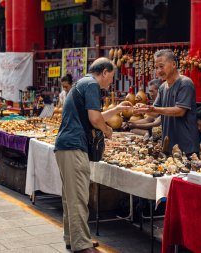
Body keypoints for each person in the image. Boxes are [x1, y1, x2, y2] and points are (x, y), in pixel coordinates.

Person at [54, 57, 132, 253]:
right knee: (78, 197)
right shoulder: (91, 85)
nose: (110, 82)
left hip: (67, 146)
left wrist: (115, 109)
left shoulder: (82, 82)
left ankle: (74, 238)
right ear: (104, 72)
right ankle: (82, 245)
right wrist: (107, 130)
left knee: (70, 196)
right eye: (111, 77)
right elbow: (95, 119)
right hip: (74, 146)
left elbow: (92, 117)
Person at [134, 49, 199, 155]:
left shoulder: (185, 83)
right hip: (168, 145)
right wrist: (142, 109)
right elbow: (155, 113)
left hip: (186, 146)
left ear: (173, 64)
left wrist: (154, 109)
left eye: (161, 66)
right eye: (156, 67)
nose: (159, 71)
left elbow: (180, 111)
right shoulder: (163, 87)